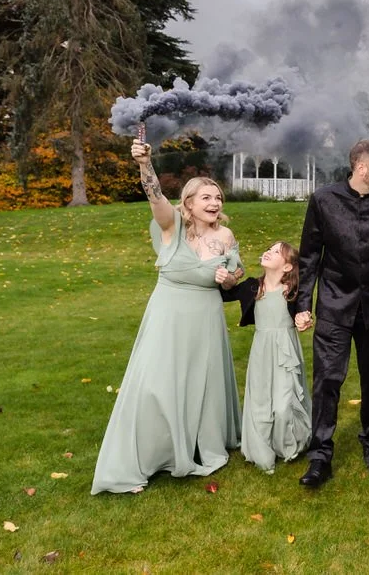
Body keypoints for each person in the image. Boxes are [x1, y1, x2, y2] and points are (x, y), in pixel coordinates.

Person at [91, 137, 242, 495]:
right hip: (169, 314)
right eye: (206, 197)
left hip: (206, 318)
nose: (214, 202)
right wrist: (146, 165)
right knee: (157, 383)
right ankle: (148, 455)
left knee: (201, 383)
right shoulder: (171, 226)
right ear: (188, 202)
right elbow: (155, 197)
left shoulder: (225, 235)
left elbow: (235, 276)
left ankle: (197, 444)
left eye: (218, 196)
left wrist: (228, 278)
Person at [295, 139, 369, 488]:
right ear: (361, 168)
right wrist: (304, 304)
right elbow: (309, 257)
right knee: (328, 381)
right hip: (335, 304)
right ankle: (320, 455)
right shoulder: (323, 200)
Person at [222, 241, 311, 474]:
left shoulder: (293, 291)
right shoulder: (253, 287)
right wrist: (227, 274)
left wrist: (305, 318)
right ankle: (262, 447)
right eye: (268, 249)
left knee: (283, 404)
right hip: (262, 350)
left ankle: (289, 442)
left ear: (288, 267)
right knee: (261, 401)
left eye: (275, 252)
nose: (268, 251)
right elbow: (224, 293)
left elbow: (304, 311)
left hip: (285, 351)